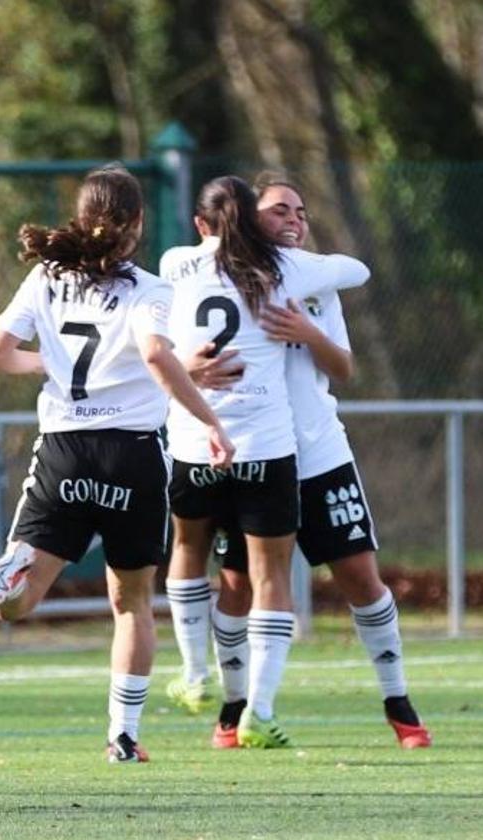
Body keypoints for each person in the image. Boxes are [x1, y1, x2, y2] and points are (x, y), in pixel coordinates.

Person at [0, 165, 234, 763]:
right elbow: (155, 356)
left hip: (64, 451)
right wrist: (210, 423)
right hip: (131, 457)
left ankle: (10, 573)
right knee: (132, 603)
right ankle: (123, 735)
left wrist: (51, 364)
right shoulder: (150, 290)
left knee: (20, 604)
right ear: (137, 223)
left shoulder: (45, 277)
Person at [204, 173, 431, 750]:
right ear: (250, 219)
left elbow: (344, 369)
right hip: (252, 456)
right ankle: (235, 708)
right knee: (236, 587)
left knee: (359, 577)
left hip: (318, 455)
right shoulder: (216, 280)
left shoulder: (312, 283)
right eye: (281, 210)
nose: (295, 220)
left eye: (302, 211)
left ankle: (398, 700)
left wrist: (308, 332)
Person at [159, 175, 371, 749]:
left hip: (194, 442)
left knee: (187, 552)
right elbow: (357, 270)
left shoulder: (177, 263)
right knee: (269, 576)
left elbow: (156, 348)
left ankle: (196, 675)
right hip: (266, 447)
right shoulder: (287, 269)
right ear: (252, 221)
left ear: (201, 224)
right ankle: (260, 710)